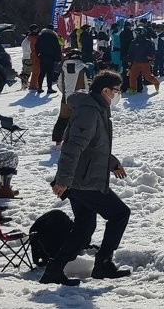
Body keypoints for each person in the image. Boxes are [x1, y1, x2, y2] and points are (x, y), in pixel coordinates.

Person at [43, 72, 132, 285]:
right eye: (116, 90)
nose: (117, 95)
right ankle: (103, 264)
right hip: (84, 181)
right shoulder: (90, 112)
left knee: (84, 228)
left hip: (81, 179)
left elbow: (94, 147)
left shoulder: (96, 109)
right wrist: (63, 179)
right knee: (120, 214)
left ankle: (54, 270)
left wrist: (112, 163)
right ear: (105, 91)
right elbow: (73, 147)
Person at [53, 50, 91, 144]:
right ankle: (78, 139)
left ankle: (57, 139)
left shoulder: (63, 68)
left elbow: (59, 83)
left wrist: (65, 93)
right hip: (80, 98)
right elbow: (88, 83)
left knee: (63, 119)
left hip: (66, 98)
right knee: (79, 119)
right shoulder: (83, 68)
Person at [126, 29, 159, 94]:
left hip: (145, 62)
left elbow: (152, 51)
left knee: (147, 77)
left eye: (137, 33)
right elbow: (130, 52)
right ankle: (133, 89)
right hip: (136, 62)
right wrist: (129, 60)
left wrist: (151, 57)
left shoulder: (147, 42)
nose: (136, 34)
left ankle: (156, 83)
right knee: (132, 76)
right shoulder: (134, 42)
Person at [36, 25, 63, 94]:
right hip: (51, 57)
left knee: (42, 72)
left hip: (42, 56)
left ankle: (39, 87)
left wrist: (38, 54)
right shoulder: (53, 36)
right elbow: (57, 47)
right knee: (50, 73)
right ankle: (49, 88)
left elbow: (36, 46)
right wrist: (59, 57)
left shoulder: (40, 35)